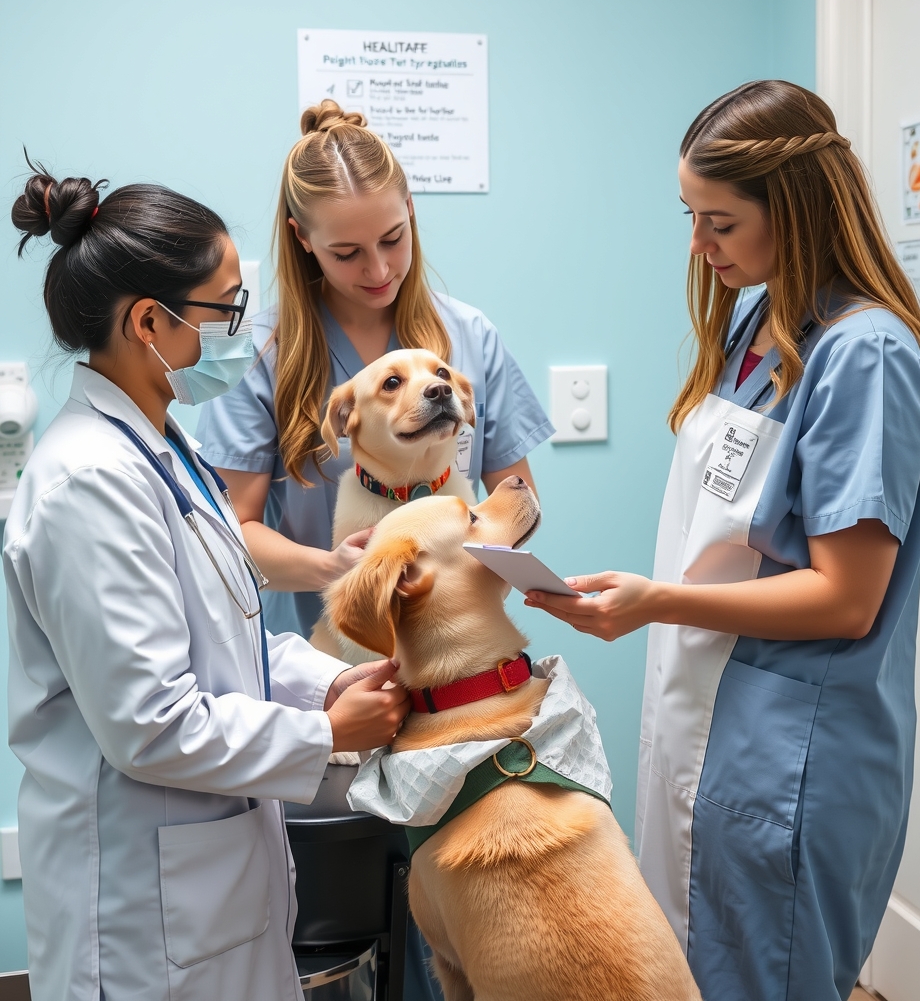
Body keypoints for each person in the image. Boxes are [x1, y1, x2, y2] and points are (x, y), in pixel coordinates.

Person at [525, 80, 920, 1001]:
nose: (698, 248)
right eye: (691, 218)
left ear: (798, 210)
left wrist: (656, 601)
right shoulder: (762, 321)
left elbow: (847, 595)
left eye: (720, 223)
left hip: (788, 753)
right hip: (701, 724)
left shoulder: (865, 355)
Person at [4, 166, 410, 1001]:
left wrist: (334, 679)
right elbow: (150, 723)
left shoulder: (165, 447)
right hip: (137, 912)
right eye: (225, 309)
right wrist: (326, 734)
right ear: (149, 321)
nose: (241, 330)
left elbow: (232, 638)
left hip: (209, 884)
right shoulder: (88, 480)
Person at [197, 98, 553, 639]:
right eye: (347, 252)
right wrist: (341, 570)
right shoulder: (264, 356)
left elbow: (514, 501)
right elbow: (232, 534)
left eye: (392, 238)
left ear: (410, 208)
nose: (379, 268)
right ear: (302, 239)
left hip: (446, 643)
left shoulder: (470, 337)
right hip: (317, 659)